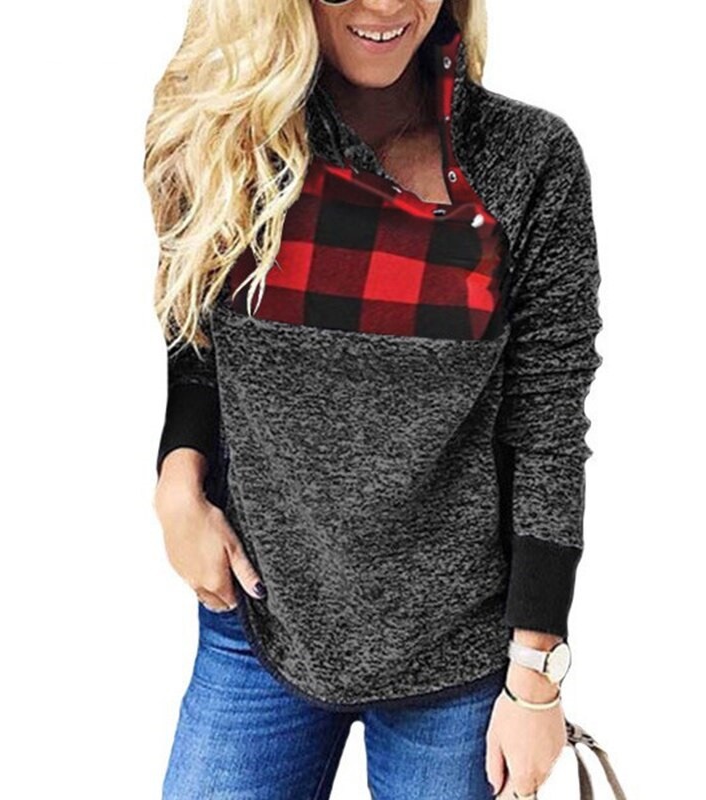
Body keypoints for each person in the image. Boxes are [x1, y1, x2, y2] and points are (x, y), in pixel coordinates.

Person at [144, 1, 603, 798]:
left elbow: (547, 428)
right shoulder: (221, 136)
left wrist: (535, 674)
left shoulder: (528, 161)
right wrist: (176, 481)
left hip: (457, 653)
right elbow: (199, 340)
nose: (387, 5)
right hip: (259, 623)